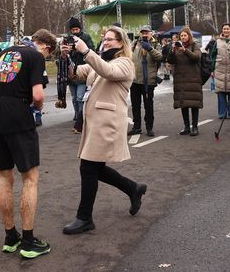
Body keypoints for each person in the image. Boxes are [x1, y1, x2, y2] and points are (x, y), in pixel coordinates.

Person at [62, 26, 147, 236]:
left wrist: (85, 51)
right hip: (95, 123)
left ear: (121, 43)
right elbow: (79, 74)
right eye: (105, 38)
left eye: (110, 39)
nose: (106, 41)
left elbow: (107, 72)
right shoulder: (102, 60)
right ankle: (133, 188)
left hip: (107, 122)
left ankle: (85, 217)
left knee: (88, 168)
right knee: (94, 168)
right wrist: (67, 58)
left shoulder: (125, 63)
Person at [0, 28, 56, 259]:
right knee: (30, 178)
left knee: (5, 177)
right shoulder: (35, 57)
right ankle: (28, 241)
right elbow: (38, 96)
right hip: (18, 116)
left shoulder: (2, 53)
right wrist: (37, 110)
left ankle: (10, 236)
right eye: (49, 54)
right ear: (46, 47)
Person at [167, 27, 203, 136]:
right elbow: (170, 60)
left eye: (185, 35)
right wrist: (172, 51)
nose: (183, 37)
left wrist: (185, 50)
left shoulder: (194, 45)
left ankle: (195, 127)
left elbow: (196, 57)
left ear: (189, 36)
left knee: (194, 104)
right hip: (180, 79)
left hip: (193, 78)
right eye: (181, 36)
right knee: (183, 103)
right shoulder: (176, 47)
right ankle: (186, 127)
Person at [128, 25, 162, 136]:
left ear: (151, 33)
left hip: (148, 81)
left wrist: (150, 49)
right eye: (143, 32)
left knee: (148, 105)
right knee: (135, 105)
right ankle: (136, 127)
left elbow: (160, 57)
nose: (144, 34)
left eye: (146, 32)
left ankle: (149, 127)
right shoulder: (135, 44)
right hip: (135, 80)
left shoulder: (156, 44)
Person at [66, 16, 95, 133]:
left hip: (83, 70)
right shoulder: (68, 39)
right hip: (71, 71)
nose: (75, 31)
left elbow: (91, 50)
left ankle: (81, 118)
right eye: (73, 30)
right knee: (73, 98)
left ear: (80, 29)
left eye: (76, 29)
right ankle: (77, 114)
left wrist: (80, 50)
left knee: (80, 97)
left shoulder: (86, 37)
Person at [211, 23, 230, 121]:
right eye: (224, 29)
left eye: (227, 29)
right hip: (219, 71)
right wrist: (212, 69)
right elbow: (213, 56)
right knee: (220, 93)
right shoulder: (217, 42)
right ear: (222, 30)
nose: (226, 30)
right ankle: (222, 114)